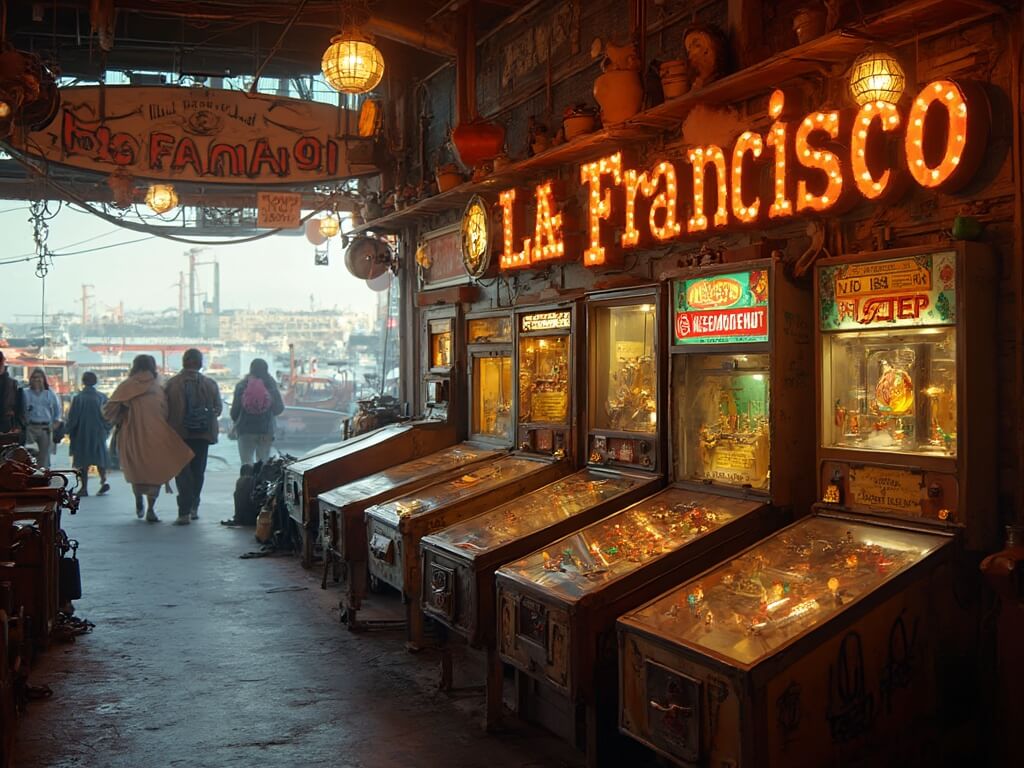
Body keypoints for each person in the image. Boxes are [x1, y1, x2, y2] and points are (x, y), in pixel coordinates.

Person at [103, 355, 193, 522]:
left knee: (136, 469)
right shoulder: (158, 387)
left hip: (131, 435)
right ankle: (151, 508)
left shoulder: (127, 386)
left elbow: (108, 410)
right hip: (156, 435)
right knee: (154, 472)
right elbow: (166, 412)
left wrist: (123, 411)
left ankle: (138, 498)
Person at [163, 348, 222, 525]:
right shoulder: (210, 384)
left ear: (183, 362)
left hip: (179, 434)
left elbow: (164, 411)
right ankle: (194, 505)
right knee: (198, 471)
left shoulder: (172, 384)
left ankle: (184, 512)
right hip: (202, 435)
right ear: (200, 363)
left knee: (182, 472)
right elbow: (218, 409)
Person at [230, 358, 284, 465]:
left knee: (246, 462)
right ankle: (260, 481)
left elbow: (234, 412)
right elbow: (279, 408)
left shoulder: (242, 385)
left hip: (245, 430)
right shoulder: (270, 385)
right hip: (266, 430)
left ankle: (246, 480)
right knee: (263, 463)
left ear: (251, 369)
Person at [66, 371, 112, 496]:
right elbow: (108, 417)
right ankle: (103, 481)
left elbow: (73, 419)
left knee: (83, 461)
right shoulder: (102, 397)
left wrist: (67, 430)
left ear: (83, 381)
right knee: (100, 458)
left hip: (82, 433)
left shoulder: (78, 398)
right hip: (98, 433)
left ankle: (84, 487)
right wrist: (107, 429)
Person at [22, 368, 63, 469]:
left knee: (44, 459)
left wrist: (54, 425)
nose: (37, 380)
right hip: (30, 429)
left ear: (44, 379)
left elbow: (58, 413)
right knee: (28, 457)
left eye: (39, 377)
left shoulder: (50, 394)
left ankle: (43, 480)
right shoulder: (25, 393)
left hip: (45, 429)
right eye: (34, 377)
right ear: (30, 379)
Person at [0, 351, 24, 441]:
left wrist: (17, 426)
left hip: (7, 425)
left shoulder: (12, 383)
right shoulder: (11, 383)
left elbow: (18, 407)